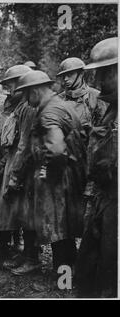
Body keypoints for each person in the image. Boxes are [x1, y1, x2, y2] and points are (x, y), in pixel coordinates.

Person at [15, 70, 87, 277]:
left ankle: (62, 276)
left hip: (60, 177)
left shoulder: (48, 113)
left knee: (58, 226)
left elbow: (56, 150)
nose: (27, 101)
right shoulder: (59, 105)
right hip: (70, 173)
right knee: (65, 226)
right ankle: (69, 271)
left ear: (35, 91)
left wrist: (46, 173)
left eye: (27, 95)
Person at [76, 37, 118, 298]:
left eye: (105, 73)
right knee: (91, 262)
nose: (99, 82)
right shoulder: (112, 108)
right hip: (105, 194)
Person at [0, 65, 38, 273]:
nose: (10, 88)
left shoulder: (27, 108)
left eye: (12, 83)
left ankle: (32, 258)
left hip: (23, 167)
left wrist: (16, 174)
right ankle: (24, 255)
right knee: (16, 211)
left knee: (27, 213)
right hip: (13, 162)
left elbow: (25, 143)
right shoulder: (15, 106)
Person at [57, 57, 107, 134]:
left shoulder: (96, 96)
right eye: (63, 76)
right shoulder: (59, 99)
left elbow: (104, 128)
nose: (65, 79)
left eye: (69, 74)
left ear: (81, 74)